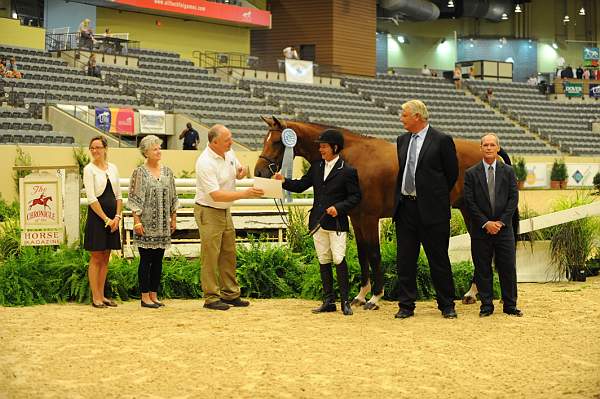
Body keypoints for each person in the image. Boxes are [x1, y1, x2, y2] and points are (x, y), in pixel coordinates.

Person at [273, 129, 361, 316]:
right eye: (320, 146)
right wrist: (283, 181)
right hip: (318, 221)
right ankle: (328, 300)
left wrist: (339, 207)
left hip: (336, 221)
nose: (320, 149)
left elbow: (355, 197)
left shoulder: (347, 171)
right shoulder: (316, 167)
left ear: (335, 147)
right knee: (323, 259)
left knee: (338, 258)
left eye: (324, 146)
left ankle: (345, 301)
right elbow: (300, 186)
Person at [392, 99, 459, 319]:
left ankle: (447, 304)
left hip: (433, 211)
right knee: (405, 260)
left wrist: (433, 196)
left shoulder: (441, 140)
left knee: (438, 259)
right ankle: (406, 305)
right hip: (406, 209)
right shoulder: (402, 140)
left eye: (404, 115)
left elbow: (452, 174)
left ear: (417, 117)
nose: (401, 119)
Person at [194, 124, 263, 310]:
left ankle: (230, 294)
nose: (231, 142)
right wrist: (244, 194)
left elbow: (238, 172)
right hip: (208, 210)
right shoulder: (204, 162)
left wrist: (242, 173)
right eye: (227, 140)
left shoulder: (229, 152)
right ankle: (211, 297)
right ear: (214, 142)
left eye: (230, 138)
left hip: (224, 210)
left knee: (228, 253)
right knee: (210, 256)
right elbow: (215, 195)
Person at [463, 133, 522, 317]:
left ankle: (510, 306)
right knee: (483, 269)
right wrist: (485, 223)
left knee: (507, 268)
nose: (488, 148)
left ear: (498, 148)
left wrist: (501, 222)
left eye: (492, 145)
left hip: (504, 230)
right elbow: (469, 202)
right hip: (481, 230)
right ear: (481, 149)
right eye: (485, 145)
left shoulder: (509, 172)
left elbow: (513, 199)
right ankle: (486, 306)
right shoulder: (471, 174)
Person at [128, 135, 179, 309]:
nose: (159, 151)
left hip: (162, 225)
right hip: (145, 224)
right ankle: (144, 297)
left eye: (159, 148)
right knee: (145, 260)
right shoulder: (139, 173)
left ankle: (154, 294)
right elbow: (134, 198)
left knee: (158, 260)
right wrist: (137, 221)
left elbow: (173, 196)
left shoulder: (168, 172)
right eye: (155, 148)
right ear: (146, 152)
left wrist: (173, 218)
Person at [83, 136, 122, 308]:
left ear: (105, 149)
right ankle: (95, 296)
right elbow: (91, 198)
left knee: (106, 256)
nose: (94, 151)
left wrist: (117, 217)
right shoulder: (88, 169)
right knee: (96, 256)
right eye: (92, 148)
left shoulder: (113, 168)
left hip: (113, 218)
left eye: (98, 147)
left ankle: (103, 295)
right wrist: (106, 219)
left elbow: (119, 196)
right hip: (98, 218)